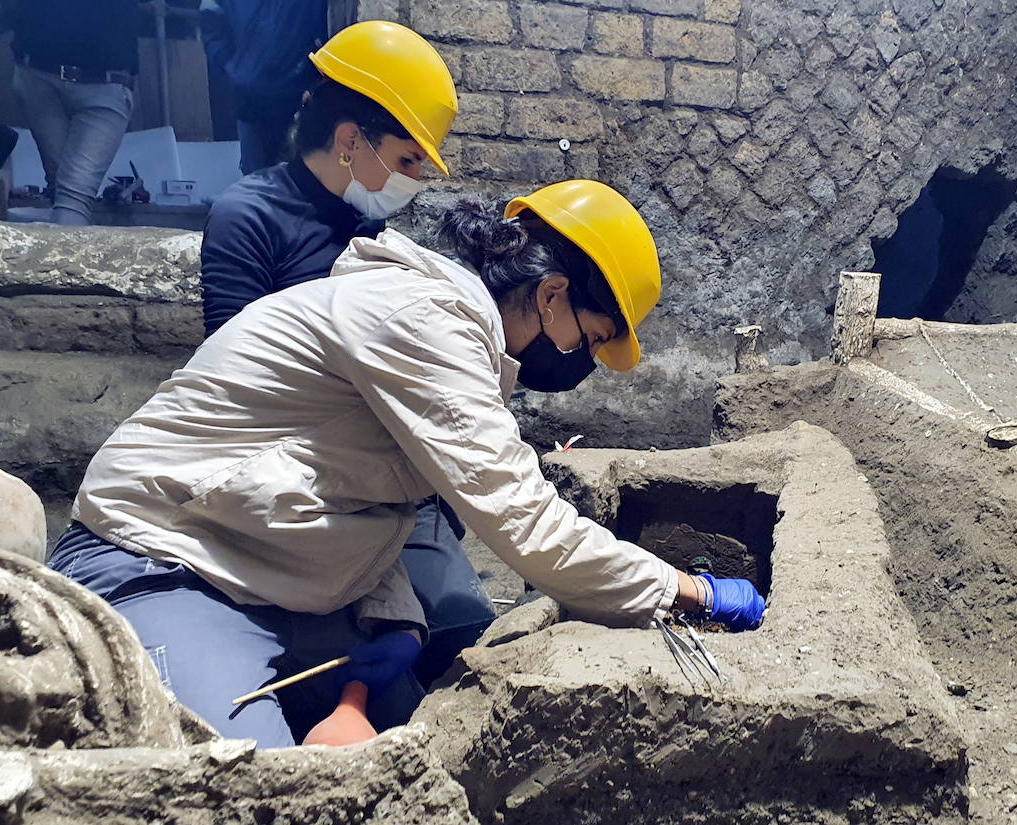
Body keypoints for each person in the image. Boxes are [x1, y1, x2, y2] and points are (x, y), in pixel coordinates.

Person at [47, 178, 768, 749]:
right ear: (551, 297)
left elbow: (359, 488)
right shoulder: (425, 320)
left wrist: (392, 618)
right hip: (161, 563)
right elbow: (525, 520)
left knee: (426, 730)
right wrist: (692, 592)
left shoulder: (447, 330)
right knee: (246, 786)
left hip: (259, 569)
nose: (583, 361)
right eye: (592, 337)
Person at [199, 20, 480, 686]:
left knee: (466, 632)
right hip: (297, 484)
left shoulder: (369, 223)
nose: (413, 179)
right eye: (408, 160)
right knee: (349, 674)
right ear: (352, 140)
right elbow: (239, 389)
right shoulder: (248, 218)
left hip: (388, 482)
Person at [8, 0, 137, 226]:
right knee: (69, 194)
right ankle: (58, 260)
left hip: (51, 72)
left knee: (69, 193)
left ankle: (54, 261)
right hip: (48, 76)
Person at [198, 0, 328, 175]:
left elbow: (329, 22)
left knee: (301, 180)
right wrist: (231, 64)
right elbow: (210, 17)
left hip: (301, 96)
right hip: (251, 98)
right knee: (254, 178)